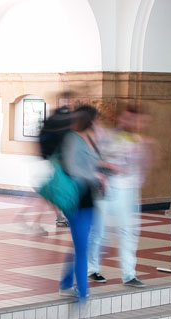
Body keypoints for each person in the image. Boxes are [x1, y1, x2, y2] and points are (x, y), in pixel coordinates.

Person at [87, 106, 154, 288]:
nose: (130, 122)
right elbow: (92, 159)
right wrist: (111, 166)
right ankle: (92, 268)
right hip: (108, 190)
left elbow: (142, 166)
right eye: (127, 118)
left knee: (128, 232)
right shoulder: (108, 137)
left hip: (130, 191)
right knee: (100, 232)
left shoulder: (139, 140)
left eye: (135, 119)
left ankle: (129, 274)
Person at [57, 105, 104, 305]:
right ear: (90, 120)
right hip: (76, 200)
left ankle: (66, 283)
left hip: (90, 199)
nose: (99, 124)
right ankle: (83, 295)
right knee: (83, 247)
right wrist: (94, 175)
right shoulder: (71, 139)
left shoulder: (91, 139)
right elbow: (72, 167)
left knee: (83, 244)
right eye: (97, 120)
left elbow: (96, 164)